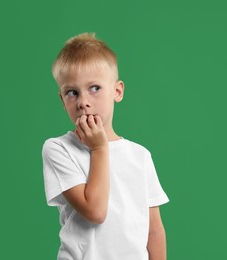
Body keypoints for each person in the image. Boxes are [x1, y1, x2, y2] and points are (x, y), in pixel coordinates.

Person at [42, 32, 169, 260]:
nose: (83, 102)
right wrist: (100, 149)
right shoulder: (58, 149)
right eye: (72, 92)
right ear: (62, 100)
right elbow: (95, 211)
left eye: (94, 88)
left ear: (117, 91)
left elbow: (154, 230)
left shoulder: (140, 156)